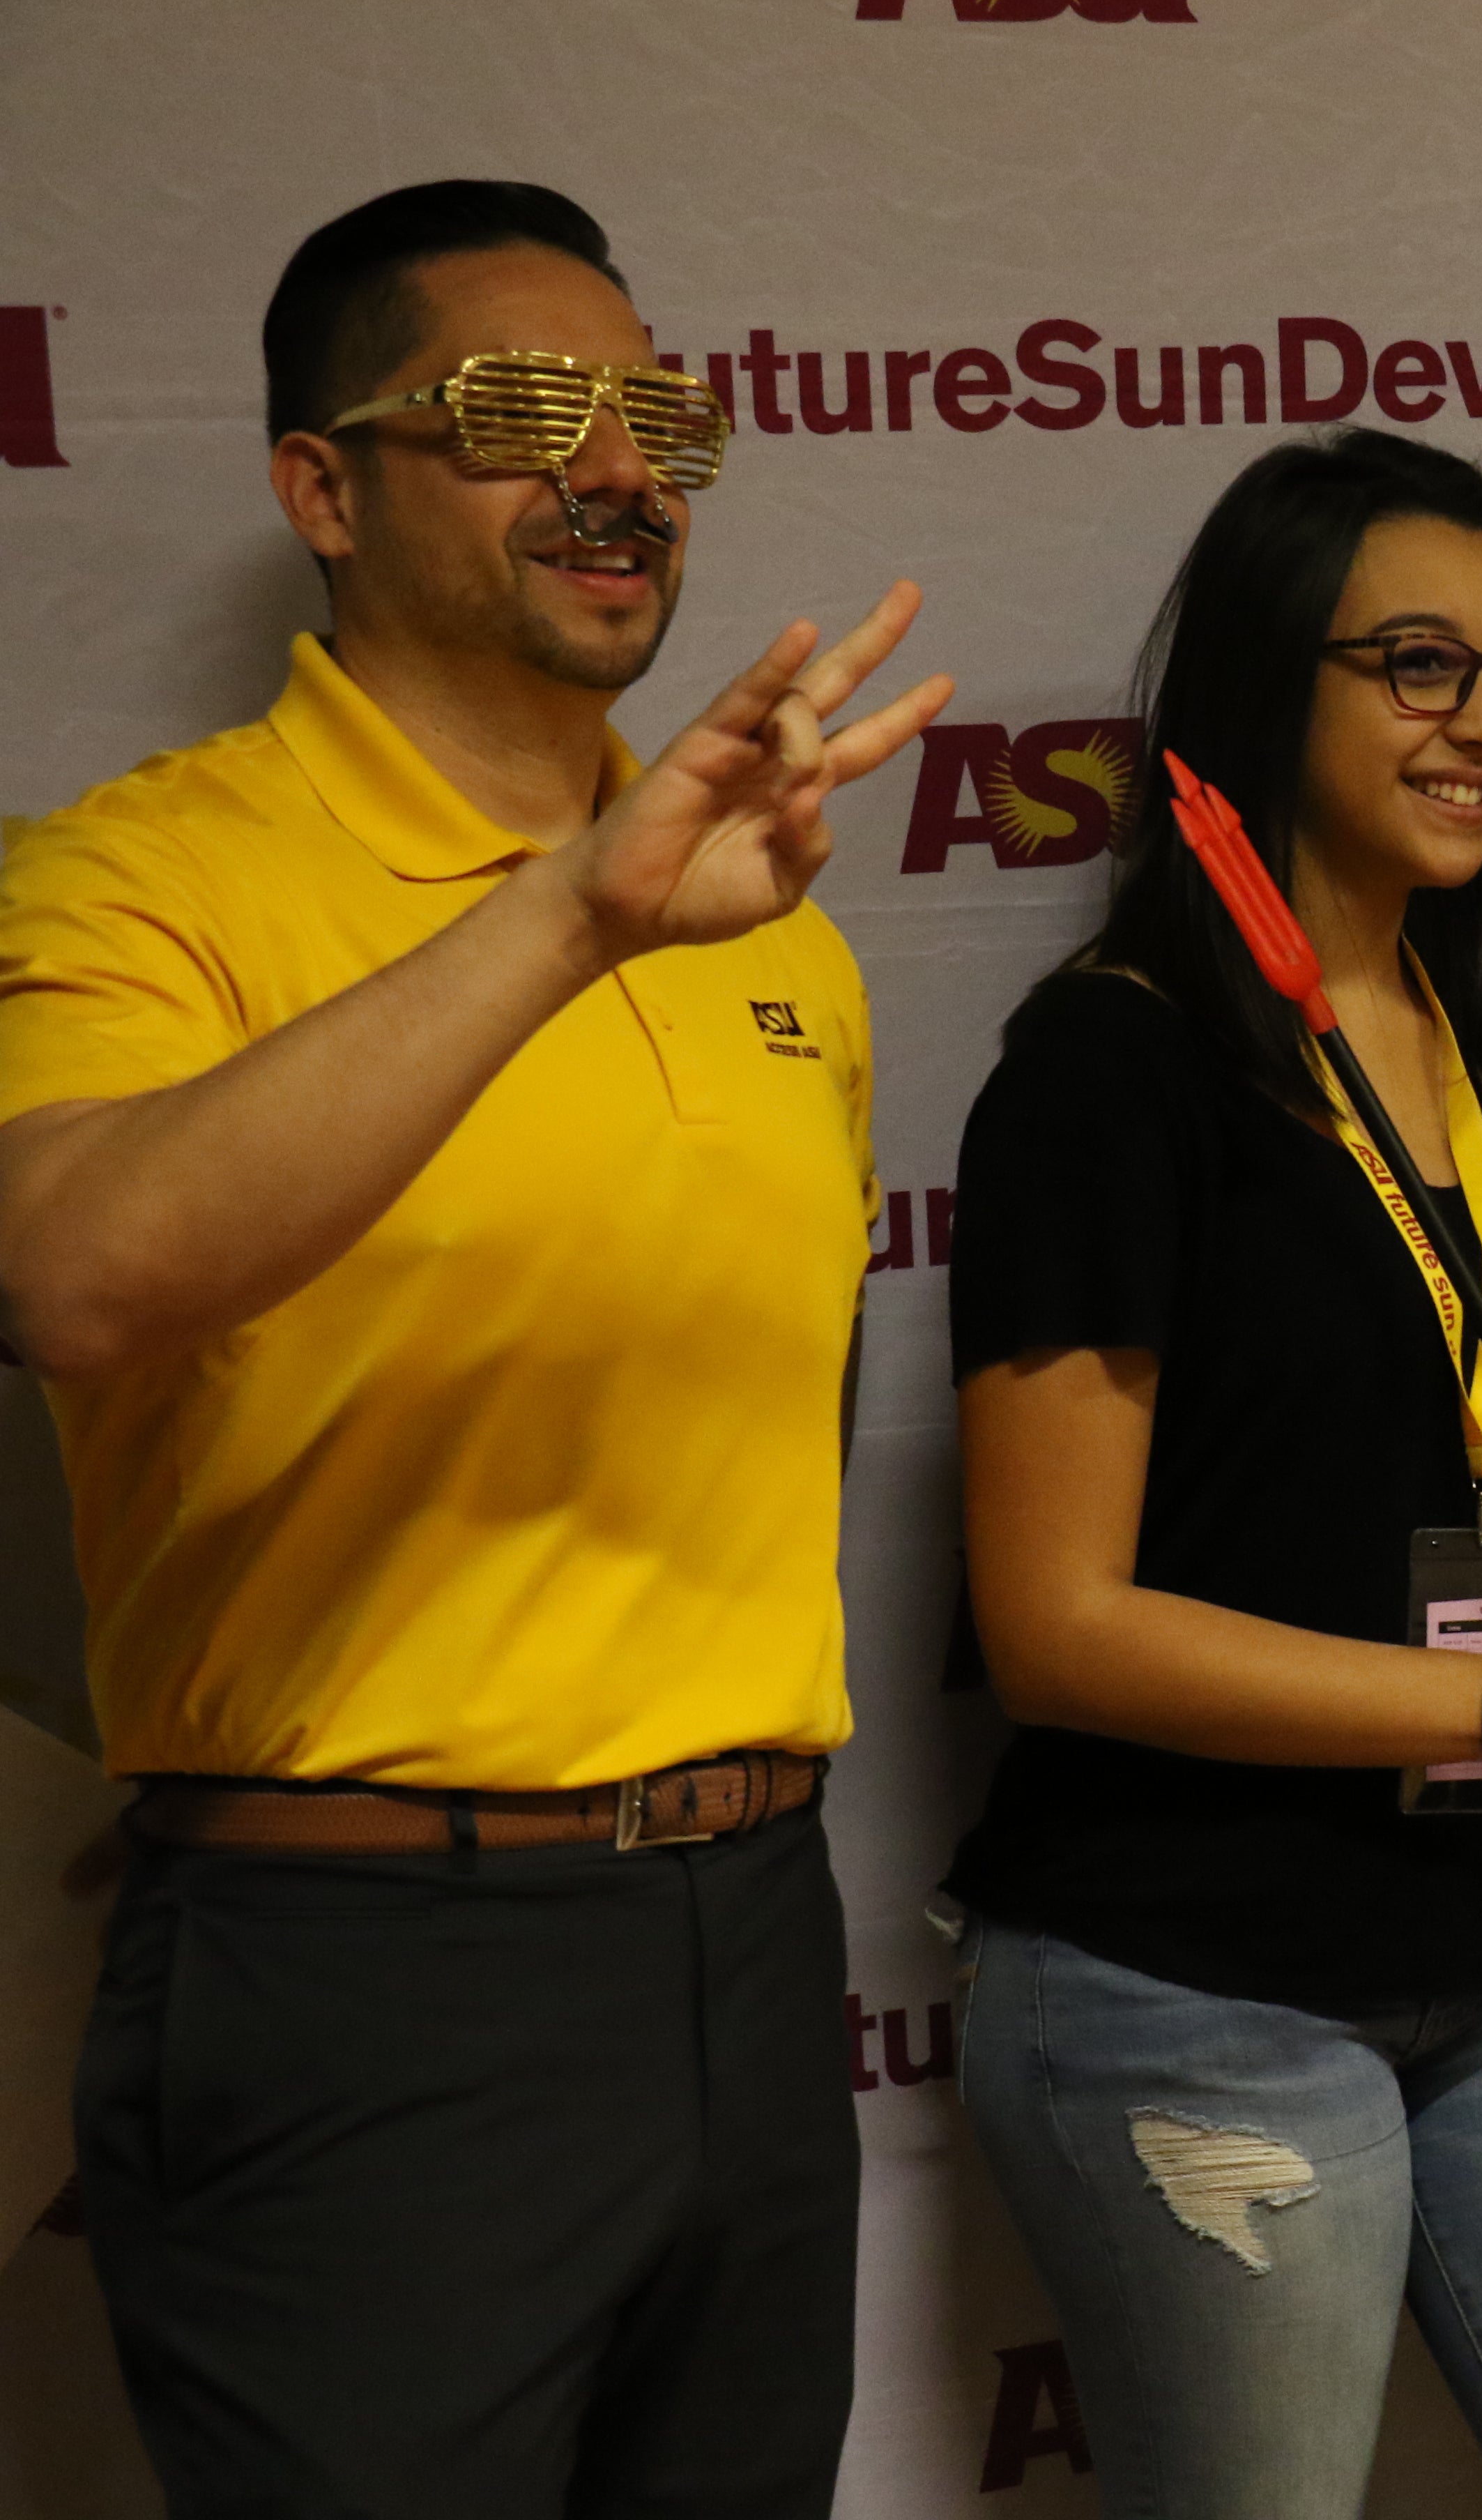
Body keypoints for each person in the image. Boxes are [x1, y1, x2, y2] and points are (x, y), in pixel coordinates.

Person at [0, 181, 949, 2515]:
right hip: (363, 1973)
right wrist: (571, 920)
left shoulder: (783, 926)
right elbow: (79, 1276)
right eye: (526, 414)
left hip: (746, 1936)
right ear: (321, 485)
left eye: (659, 416)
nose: (619, 470)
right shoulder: (140, 877)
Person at [944, 427, 1482, 2520]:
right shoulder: (1115, 1060)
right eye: (1420, 663)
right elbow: (1055, 1632)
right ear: (1266, 683)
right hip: (1196, 1974)